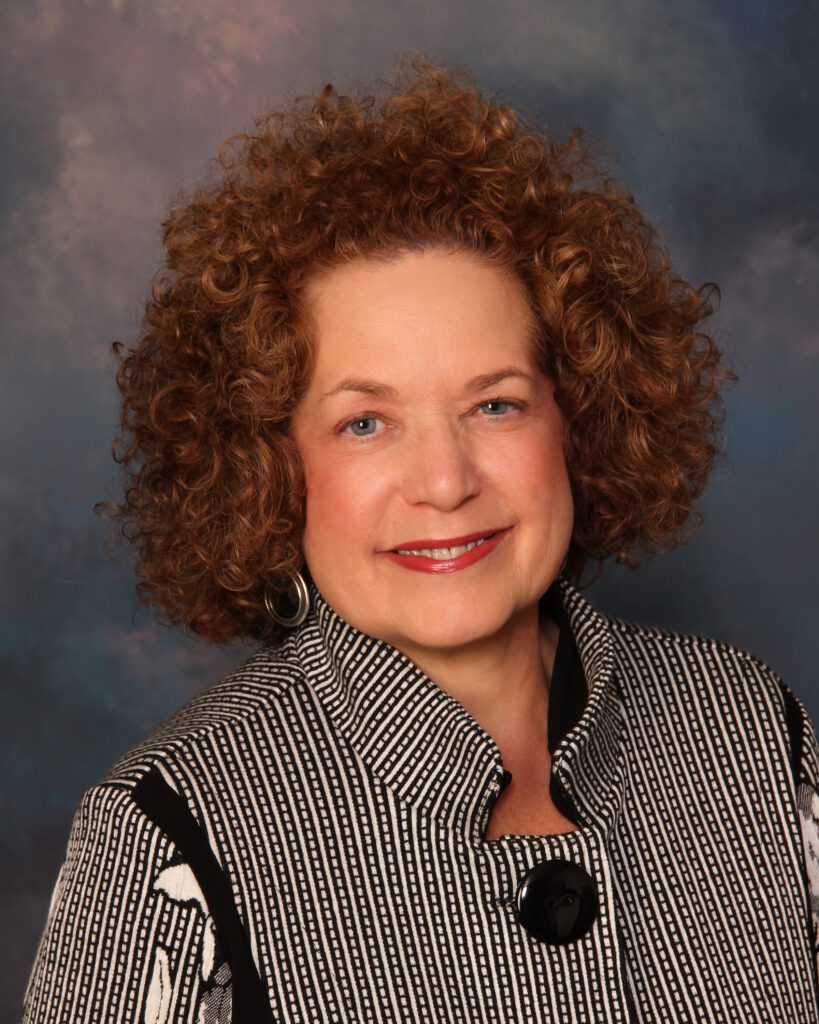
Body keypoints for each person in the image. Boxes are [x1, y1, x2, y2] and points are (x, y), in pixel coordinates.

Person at [21, 54, 819, 1023]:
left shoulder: (754, 732)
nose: (446, 481)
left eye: (495, 403)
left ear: (578, 418)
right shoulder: (164, 842)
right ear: (272, 465)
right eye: (366, 422)